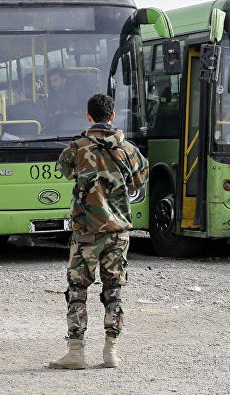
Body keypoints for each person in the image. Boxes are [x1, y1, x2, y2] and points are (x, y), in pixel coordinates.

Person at [48, 93, 149, 370]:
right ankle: (111, 352)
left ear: (89, 117)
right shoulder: (129, 150)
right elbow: (139, 181)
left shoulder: (76, 149)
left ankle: (76, 353)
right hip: (118, 234)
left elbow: (65, 173)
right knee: (113, 291)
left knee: (78, 290)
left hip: (86, 234)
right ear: (113, 117)